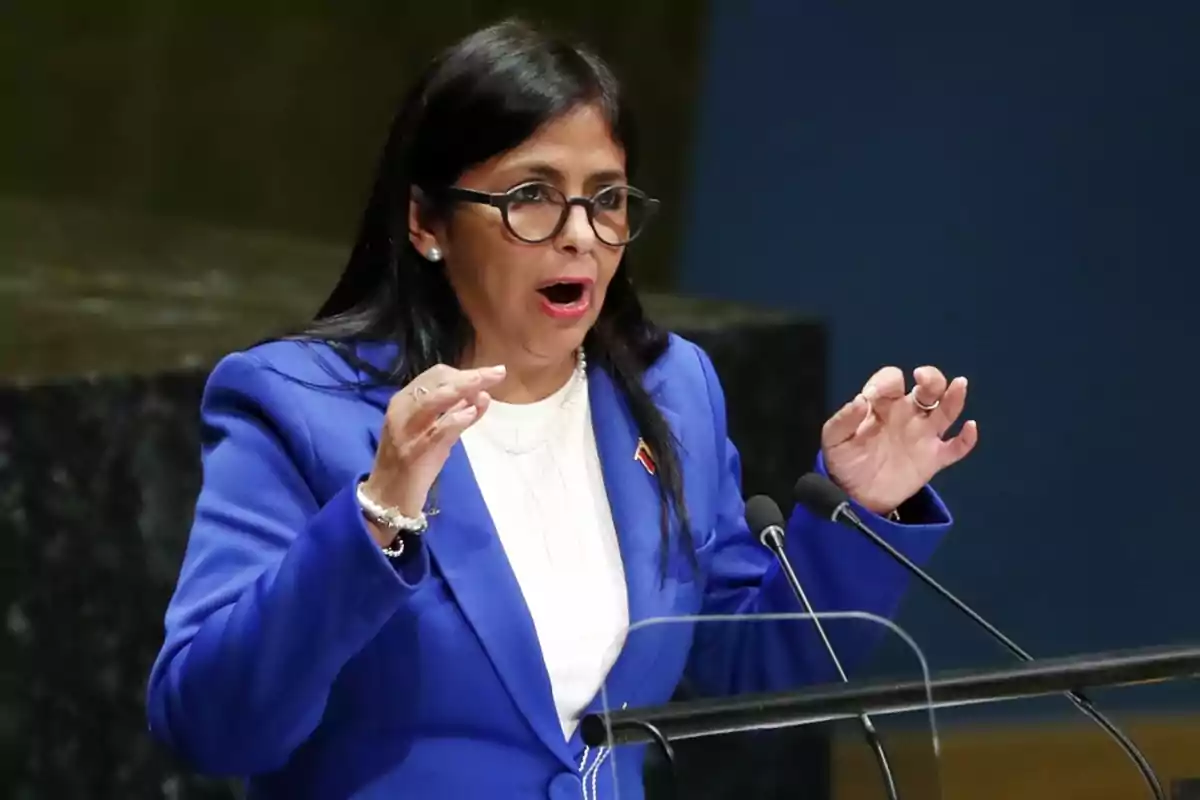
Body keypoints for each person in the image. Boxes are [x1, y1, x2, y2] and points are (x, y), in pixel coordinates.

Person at [146, 18, 978, 800]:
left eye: (607, 198)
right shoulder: (302, 407)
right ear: (427, 222)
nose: (579, 234)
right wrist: (375, 519)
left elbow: (747, 670)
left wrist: (863, 513)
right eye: (532, 196)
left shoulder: (668, 390)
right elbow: (214, 727)